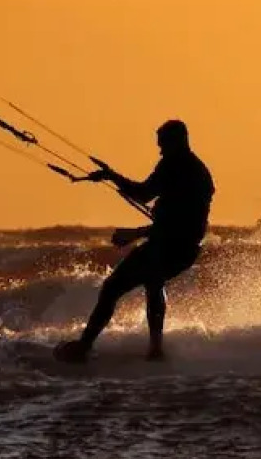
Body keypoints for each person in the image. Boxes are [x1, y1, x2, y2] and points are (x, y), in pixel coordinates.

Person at [55, 119, 214, 362]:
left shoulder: (176, 166)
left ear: (176, 142)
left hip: (173, 245)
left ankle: (87, 348)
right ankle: (152, 349)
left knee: (125, 285)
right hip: (178, 246)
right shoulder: (191, 167)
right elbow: (154, 201)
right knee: (145, 282)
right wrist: (111, 177)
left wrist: (134, 233)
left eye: (162, 145)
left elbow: (148, 197)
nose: (160, 150)